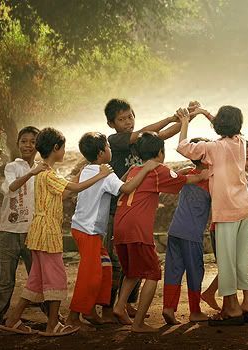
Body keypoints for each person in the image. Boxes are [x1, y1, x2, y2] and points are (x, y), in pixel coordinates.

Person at [0, 127, 113, 336]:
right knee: (57, 278)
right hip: (47, 232)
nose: (63, 152)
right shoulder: (48, 174)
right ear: (55, 148)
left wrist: (81, 173)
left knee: (36, 280)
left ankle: (13, 319)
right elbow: (74, 189)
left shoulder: (44, 173)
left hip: (39, 232)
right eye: (62, 147)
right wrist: (100, 175)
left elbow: (64, 192)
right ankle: (53, 325)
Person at [101, 98, 202, 322]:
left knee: (132, 267)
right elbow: (149, 133)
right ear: (111, 124)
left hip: (125, 212)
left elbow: (161, 135)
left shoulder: (144, 146)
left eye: (130, 117)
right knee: (122, 264)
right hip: (114, 208)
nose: (128, 122)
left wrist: (188, 117)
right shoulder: (116, 139)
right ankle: (109, 309)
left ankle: (125, 305)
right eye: (122, 119)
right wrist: (171, 118)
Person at [112, 131, 207, 333]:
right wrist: (202, 175)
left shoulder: (133, 169)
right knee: (153, 274)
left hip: (119, 227)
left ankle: (120, 307)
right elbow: (182, 180)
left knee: (133, 271)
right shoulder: (157, 170)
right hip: (138, 230)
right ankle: (138, 324)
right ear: (160, 153)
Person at [66, 132, 160, 328]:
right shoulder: (104, 174)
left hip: (84, 229)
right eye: (108, 147)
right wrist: (144, 170)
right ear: (101, 153)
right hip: (88, 231)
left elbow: (118, 182)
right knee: (89, 274)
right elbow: (125, 189)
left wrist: (132, 170)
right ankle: (74, 316)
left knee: (105, 269)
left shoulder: (88, 170)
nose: (110, 150)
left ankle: (90, 309)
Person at [176, 105, 248, 326]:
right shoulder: (241, 142)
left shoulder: (213, 148)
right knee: (241, 259)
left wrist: (185, 121)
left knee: (227, 261)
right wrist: (203, 111)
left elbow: (183, 147)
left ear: (218, 125)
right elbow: (225, 127)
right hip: (244, 207)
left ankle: (232, 308)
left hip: (227, 210)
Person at [201, 140, 248, 318]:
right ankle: (229, 305)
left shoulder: (243, 179)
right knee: (229, 266)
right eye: (245, 157)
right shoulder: (229, 177)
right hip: (221, 225)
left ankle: (229, 301)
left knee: (234, 265)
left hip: (237, 224)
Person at [0, 126, 49, 328]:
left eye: (33, 141)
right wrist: (32, 172)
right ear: (17, 144)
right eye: (24, 141)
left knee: (40, 276)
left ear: (38, 145)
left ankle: (52, 318)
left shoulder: (44, 169)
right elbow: (12, 187)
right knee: (4, 279)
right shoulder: (12, 167)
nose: (28, 145)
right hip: (9, 231)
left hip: (33, 232)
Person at [162, 137, 212, 325]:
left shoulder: (188, 174)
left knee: (174, 270)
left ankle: (168, 307)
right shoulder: (210, 179)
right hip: (192, 234)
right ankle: (195, 311)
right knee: (195, 271)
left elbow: (172, 177)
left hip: (175, 230)